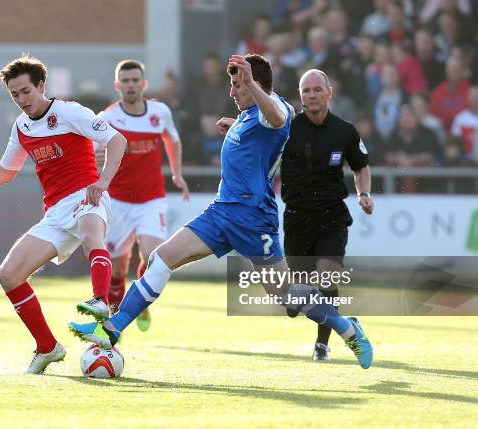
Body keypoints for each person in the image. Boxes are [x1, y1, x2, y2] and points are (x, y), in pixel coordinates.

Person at [69, 55, 374, 370]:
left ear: (254, 83)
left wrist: (250, 84)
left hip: (254, 218)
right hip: (222, 211)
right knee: (161, 258)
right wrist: (234, 127)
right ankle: (112, 329)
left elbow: (279, 119)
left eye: (236, 85)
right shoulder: (247, 115)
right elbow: (255, 139)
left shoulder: (276, 108)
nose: (232, 93)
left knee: (284, 295)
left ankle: (346, 326)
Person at [0, 55, 127, 374]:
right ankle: (47, 346)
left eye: (26, 91)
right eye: (14, 95)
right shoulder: (22, 126)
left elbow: (117, 140)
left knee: (90, 234)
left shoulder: (69, 111)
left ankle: (100, 300)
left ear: (41, 86)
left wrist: (103, 181)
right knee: (8, 274)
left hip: (88, 195)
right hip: (55, 213)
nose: (21, 100)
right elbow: (6, 170)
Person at [281, 69, 374, 362]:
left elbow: (361, 166)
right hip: (296, 219)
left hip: (331, 218)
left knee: (327, 280)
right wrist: (233, 124)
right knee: (293, 305)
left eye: (317, 89)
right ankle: (348, 324)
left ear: (329, 92)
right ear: (301, 96)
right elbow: (256, 135)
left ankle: (323, 345)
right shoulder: (287, 127)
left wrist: (363, 194)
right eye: (306, 90)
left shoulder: (345, 131)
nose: (311, 95)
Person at [95, 59, 189, 331]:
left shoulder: (160, 112)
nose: (131, 85)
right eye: (126, 81)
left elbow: (172, 140)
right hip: (118, 200)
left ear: (143, 84)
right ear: (117, 85)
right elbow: (92, 149)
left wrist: (177, 173)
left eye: (135, 80)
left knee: (152, 256)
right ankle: (115, 318)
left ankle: (139, 305)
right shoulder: (107, 118)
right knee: (116, 269)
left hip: (151, 199)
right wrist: (96, 157)